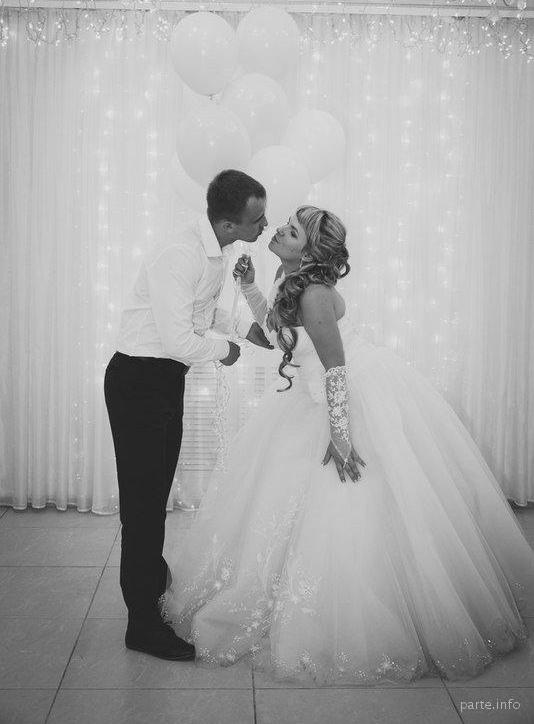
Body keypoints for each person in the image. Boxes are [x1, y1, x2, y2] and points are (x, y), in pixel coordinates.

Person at [161, 205, 534, 685]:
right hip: (308, 395)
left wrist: (340, 436)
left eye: (291, 232)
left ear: (310, 250)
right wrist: (251, 287)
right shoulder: (288, 276)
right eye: (284, 226)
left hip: (347, 394)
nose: (279, 231)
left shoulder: (315, 294)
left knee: (355, 504)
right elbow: (278, 336)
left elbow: (335, 367)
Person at [103, 169, 274, 661]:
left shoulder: (215, 250)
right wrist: (226, 351)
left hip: (162, 380)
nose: (265, 225)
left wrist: (242, 328)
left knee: (154, 493)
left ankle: (151, 581)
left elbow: (199, 311)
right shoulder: (180, 253)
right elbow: (180, 339)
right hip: (139, 381)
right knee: (142, 505)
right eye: (258, 219)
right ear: (228, 222)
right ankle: (142, 624)